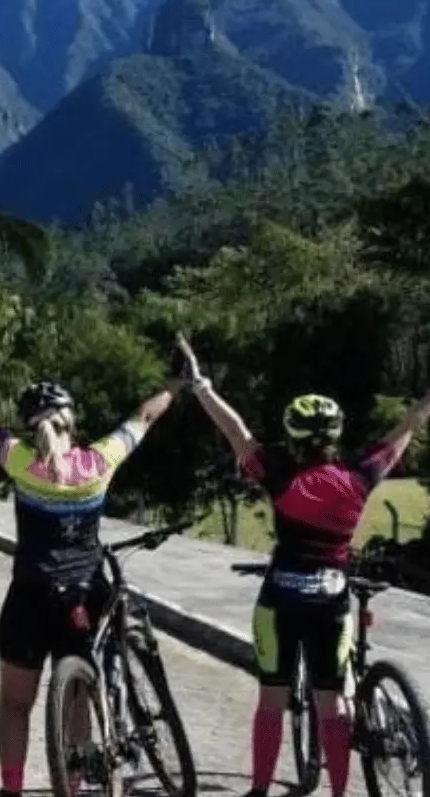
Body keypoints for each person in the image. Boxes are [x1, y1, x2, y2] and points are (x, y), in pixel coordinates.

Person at [175, 335, 430, 797]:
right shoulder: (358, 477)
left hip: (280, 602)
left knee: (271, 702)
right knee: (331, 708)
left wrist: (201, 386)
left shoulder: (279, 475)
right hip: (330, 603)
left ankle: (258, 789)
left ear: (292, 439)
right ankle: (336, 793)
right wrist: (423, 407)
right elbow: (400, 435)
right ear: (335, 436)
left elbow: (237, 433)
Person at [0, 310, 180, 797]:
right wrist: (177, 384)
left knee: (16, 704)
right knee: (77, 690)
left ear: (32, 427)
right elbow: (143, 417)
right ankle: (72, 786)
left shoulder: (22, 463)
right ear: (72, 423)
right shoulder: (99, 462)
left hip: (31, 595)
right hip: (85, 596)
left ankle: (12, 789)